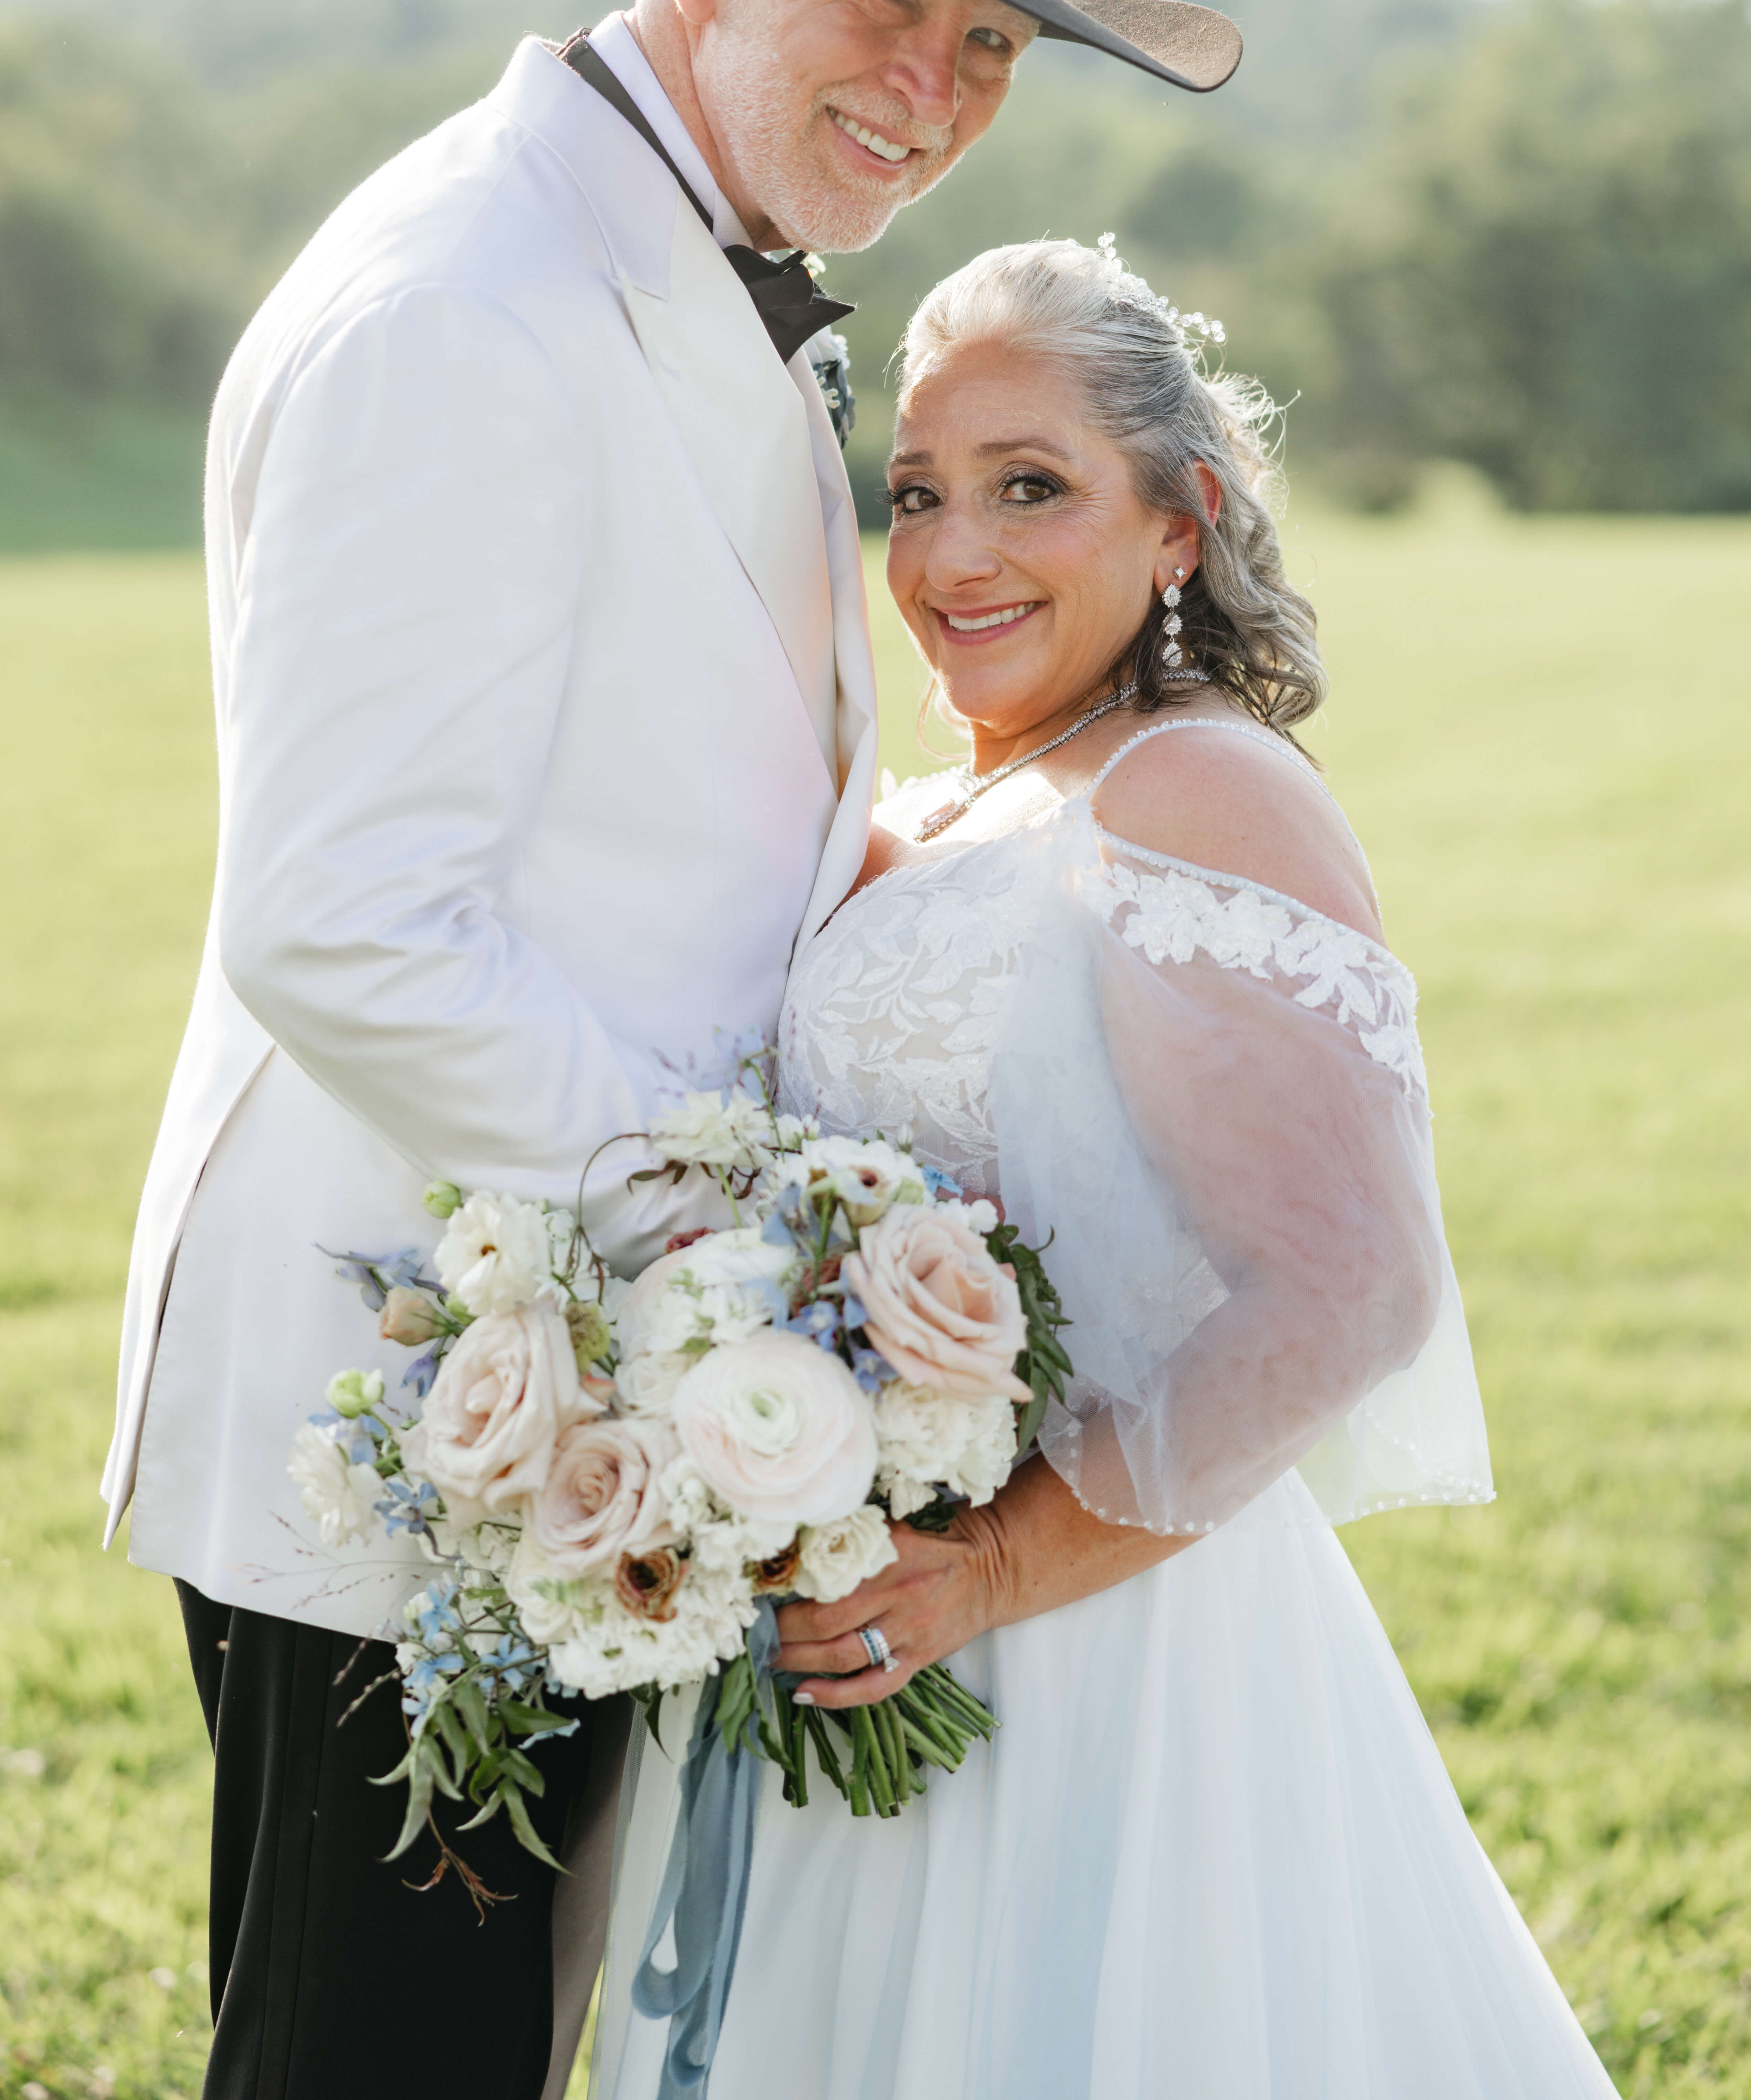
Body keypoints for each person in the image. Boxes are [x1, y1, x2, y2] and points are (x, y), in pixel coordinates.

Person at [100, 0, 1242, 2100]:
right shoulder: (471, 304)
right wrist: (762, 1267)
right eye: (881, 1)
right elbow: (345, 919)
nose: (931, 88)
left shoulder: (668, 248)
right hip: (417, 1397)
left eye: (984, 44)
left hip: (581, 1407)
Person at [593, 237, 1621, 2099]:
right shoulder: (921, 809)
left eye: (1030, 487)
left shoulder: (1199, 793)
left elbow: (1350, 1286)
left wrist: (984, 1569)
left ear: (1179, 521)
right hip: (863, 1622)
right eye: (917, 494)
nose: (955, 551)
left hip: (1102, 1653)